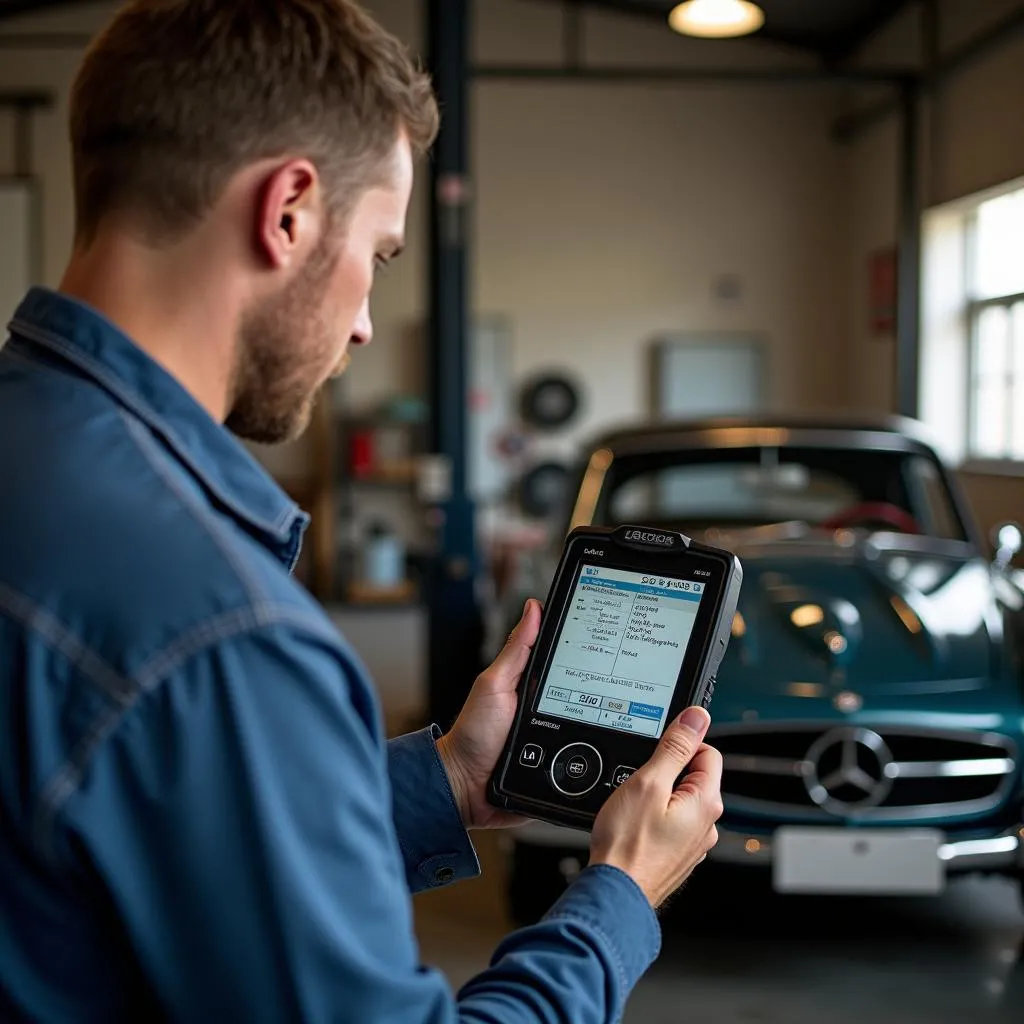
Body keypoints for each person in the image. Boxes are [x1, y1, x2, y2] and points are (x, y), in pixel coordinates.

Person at [0, 2, 724, 1021]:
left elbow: (162, 833)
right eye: (379, 254)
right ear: (288, 209)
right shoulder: (222, 631)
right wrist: (619, 896)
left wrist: (446, 780)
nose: (366, 326)